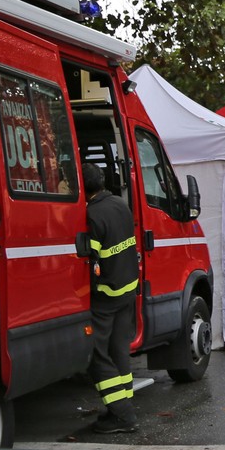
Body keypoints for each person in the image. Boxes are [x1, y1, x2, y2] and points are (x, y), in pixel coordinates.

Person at [83, 161, 140, 433]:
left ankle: (122, 415)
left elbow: (90, 262)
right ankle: (123, 402)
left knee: (94, 352)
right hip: (128, 290)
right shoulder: (120, 204)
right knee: (119, 349)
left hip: (106, 295)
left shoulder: (92, 215)